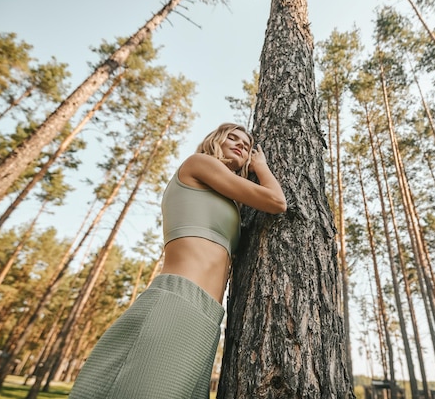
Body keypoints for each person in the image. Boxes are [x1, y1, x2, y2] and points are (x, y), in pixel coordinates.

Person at [68, 123, 286, 399]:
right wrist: (261, 165)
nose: (242, 144)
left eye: (247, 143)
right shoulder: (199, 163)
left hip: (208, 317)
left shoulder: (228, 201)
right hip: (177, 300)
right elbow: (276, 201)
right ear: (214, 140)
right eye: (232, 137)